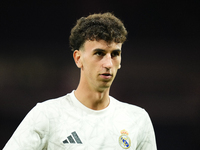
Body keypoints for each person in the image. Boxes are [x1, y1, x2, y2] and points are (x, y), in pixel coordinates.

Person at [3, 12, 157, 150]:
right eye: (99, 53)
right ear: (78, 58)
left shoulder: (137, 120)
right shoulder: (47, 115)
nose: (108, 64)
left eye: (115, 54)